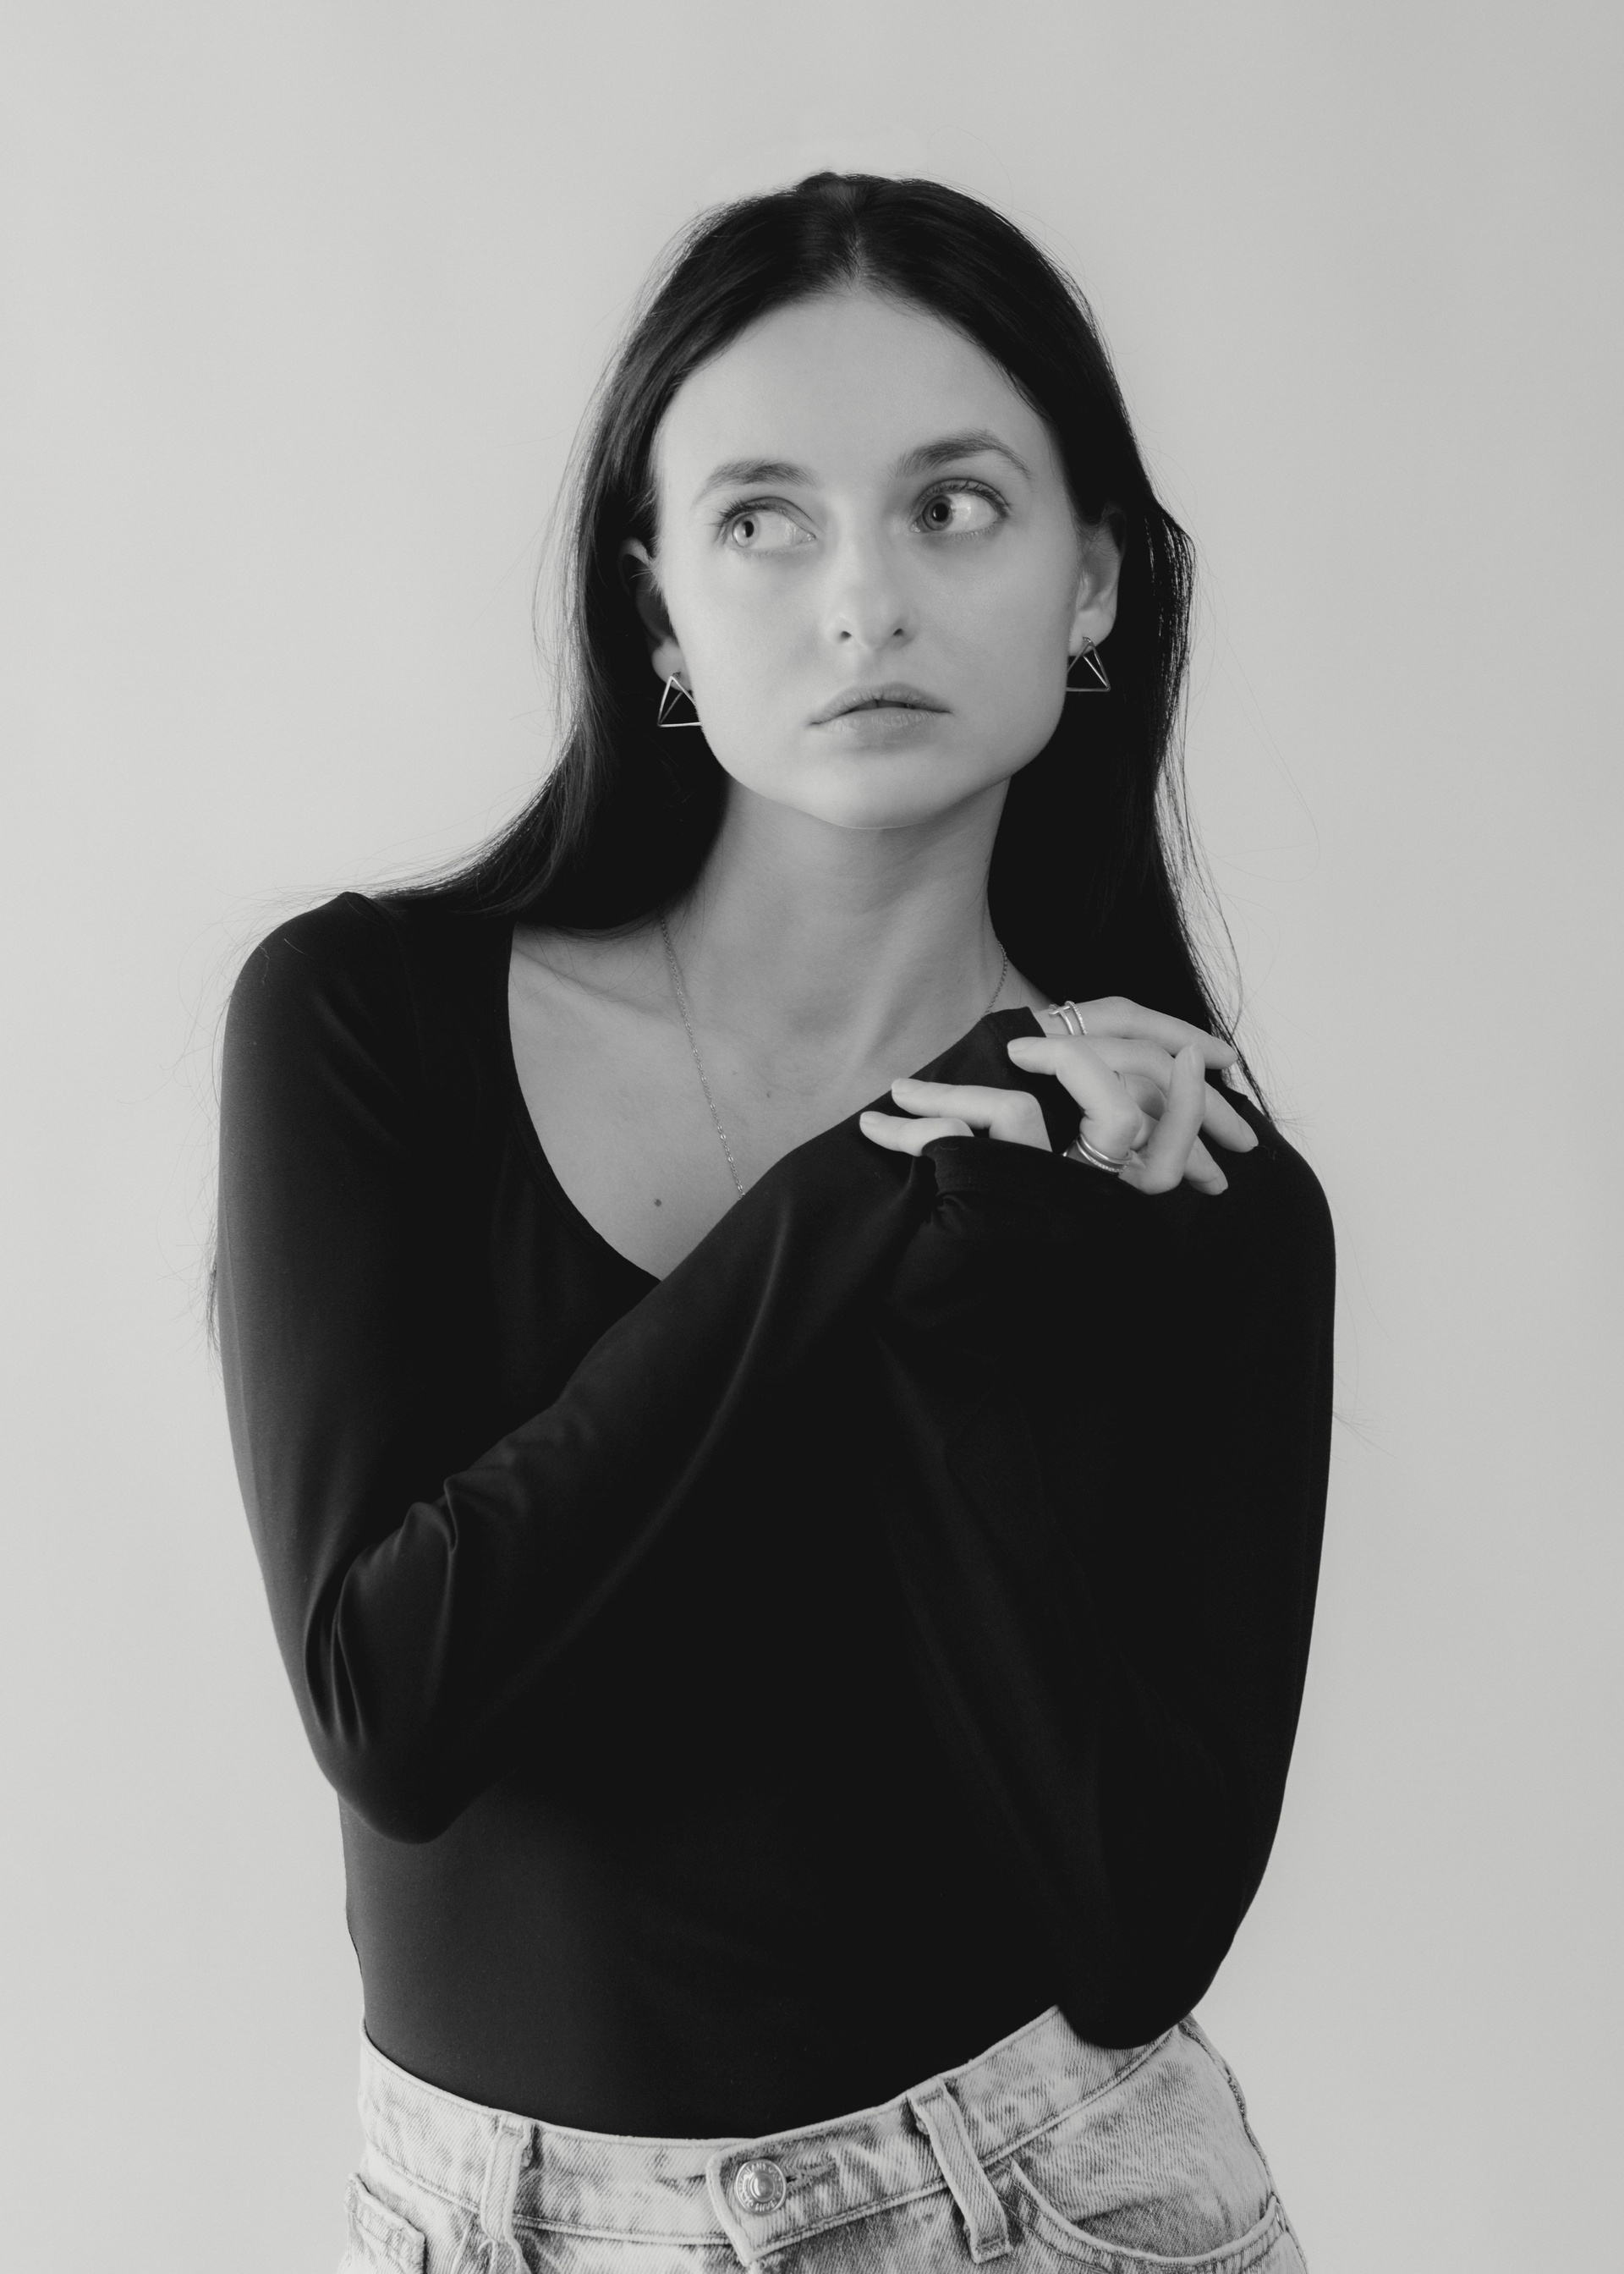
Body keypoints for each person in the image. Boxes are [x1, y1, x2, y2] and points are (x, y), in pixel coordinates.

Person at [217, 173, 1334, 2274]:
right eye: (763, 520)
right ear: (656, 608)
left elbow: (1138, 1933)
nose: (863, 603)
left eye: (955, 508)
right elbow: (392, 1703)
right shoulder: (367, 1025)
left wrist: (969, 1272)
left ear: (1094, 580)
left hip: (1042, 2209)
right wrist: (862, 1193)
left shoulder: (1188, 1189)